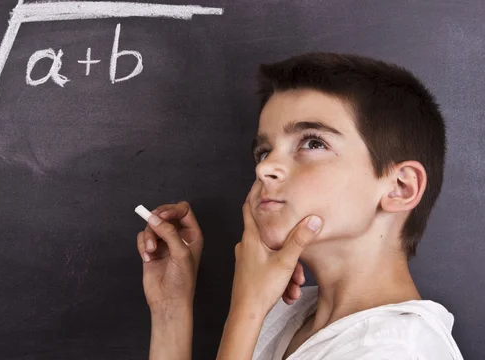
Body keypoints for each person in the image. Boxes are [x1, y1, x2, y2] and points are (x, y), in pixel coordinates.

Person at [135, 52, 464, 359]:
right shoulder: (292, 314)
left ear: (400, 187)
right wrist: (170, 310)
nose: (264, 168)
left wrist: (247, 307)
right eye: (264, 152)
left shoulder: (396, 350)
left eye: (313, 142)